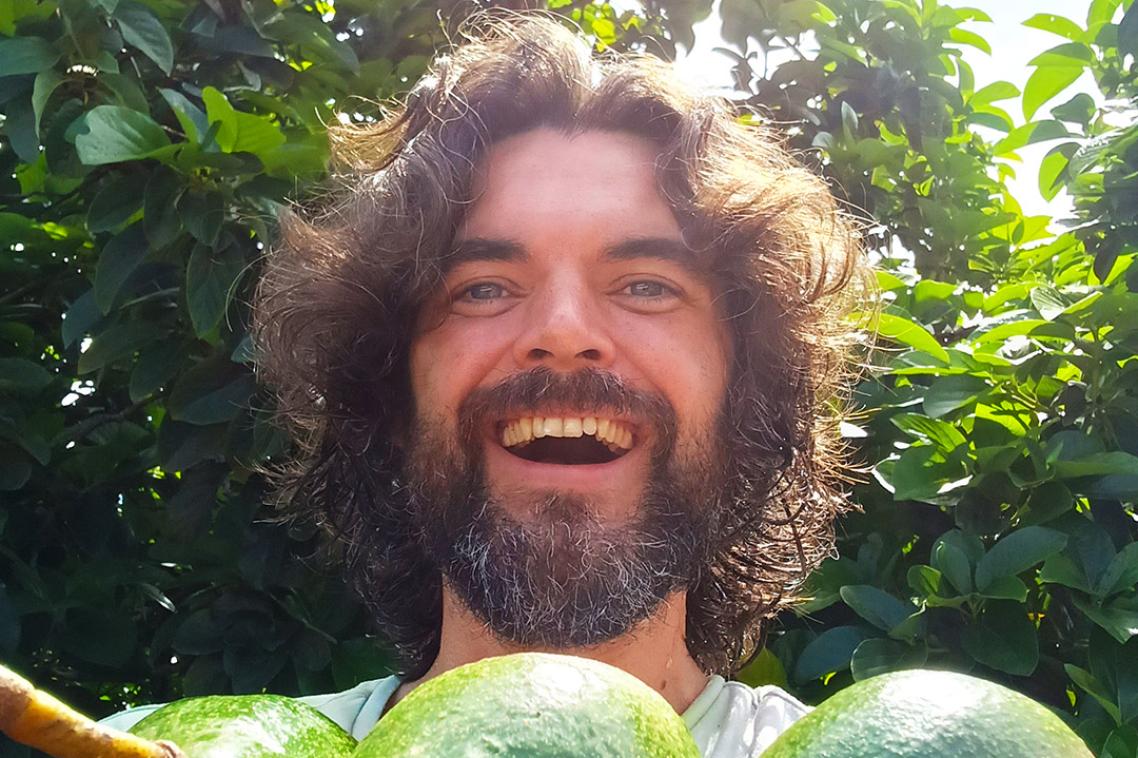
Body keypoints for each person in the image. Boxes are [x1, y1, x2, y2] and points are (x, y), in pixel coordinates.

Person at [103, 11, 868, 756]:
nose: (564, 332)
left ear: (744, 396)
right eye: (482, 287)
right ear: (392, 396)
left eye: (645, 285)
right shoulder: (143, 752)